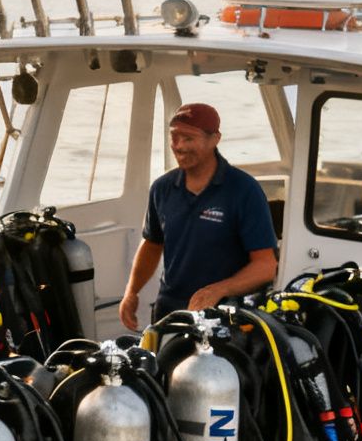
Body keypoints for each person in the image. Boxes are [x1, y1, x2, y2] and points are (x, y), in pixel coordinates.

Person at [119, 102, 278, 331]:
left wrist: (217, 290)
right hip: (170, 310)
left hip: (225, 314)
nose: (179, 146)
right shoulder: (162, 188)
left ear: (215, 139)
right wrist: (132, 291)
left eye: (189, 138)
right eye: (174, 137)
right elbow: (153, 244)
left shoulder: (244, 190)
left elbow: (266, 266)